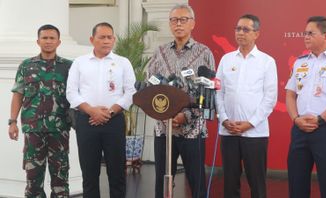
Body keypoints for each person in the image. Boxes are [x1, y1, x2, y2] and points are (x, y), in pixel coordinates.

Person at [147, 4, 215, 198]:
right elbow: (151, 88)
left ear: (192, 23)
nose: (178, 24)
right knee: (162, 181)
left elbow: (208, 92)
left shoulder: (204, 53)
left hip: (193, 129)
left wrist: (185, 116)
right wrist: (166, 114)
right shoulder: (159, 52)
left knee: (196, 182)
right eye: (174, 20)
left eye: (183, 19)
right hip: (163, 128)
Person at [66, 22, 136, 197]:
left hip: (114, 121)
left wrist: (109, 112)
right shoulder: (79, 62)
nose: (106, 41)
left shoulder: (123, 62)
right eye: (102, 37)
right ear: (92, 39)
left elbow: (130, 92)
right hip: (86, 122)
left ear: (114, 39)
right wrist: (92, 111)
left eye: (109, 37)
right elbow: (71, 92)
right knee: (89, 174)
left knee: (117, 173)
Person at [285, 16, 326, 198]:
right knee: (296, 183)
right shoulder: (300, 63)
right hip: (299, 129)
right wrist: (296, 119)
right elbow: (290, 94)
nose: (305, 36)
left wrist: (320, 119)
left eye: (310, 33)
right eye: (304, 33)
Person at [215, 14, 278, 198]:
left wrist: (250, 123)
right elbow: (218, 92)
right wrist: (225, 120)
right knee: (229, 182)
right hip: (229, 131)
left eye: (245, 29)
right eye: (238, 29)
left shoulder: (267, 61)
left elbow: (270, 98)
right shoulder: (226, 59)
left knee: (257, 183)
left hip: (255, 133)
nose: (240, 33)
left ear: (256, 34)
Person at [8, 24, 72, 197]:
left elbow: (76, 97)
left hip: (59, 130)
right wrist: (12, 122)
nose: (48, 41)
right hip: (33, 129)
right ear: (38, 41)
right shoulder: (26, 66)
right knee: (33, 176)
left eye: (52, 38)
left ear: (59, 42)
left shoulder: (68, 67)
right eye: (45, 38)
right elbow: (18, 95)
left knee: (60, 176)